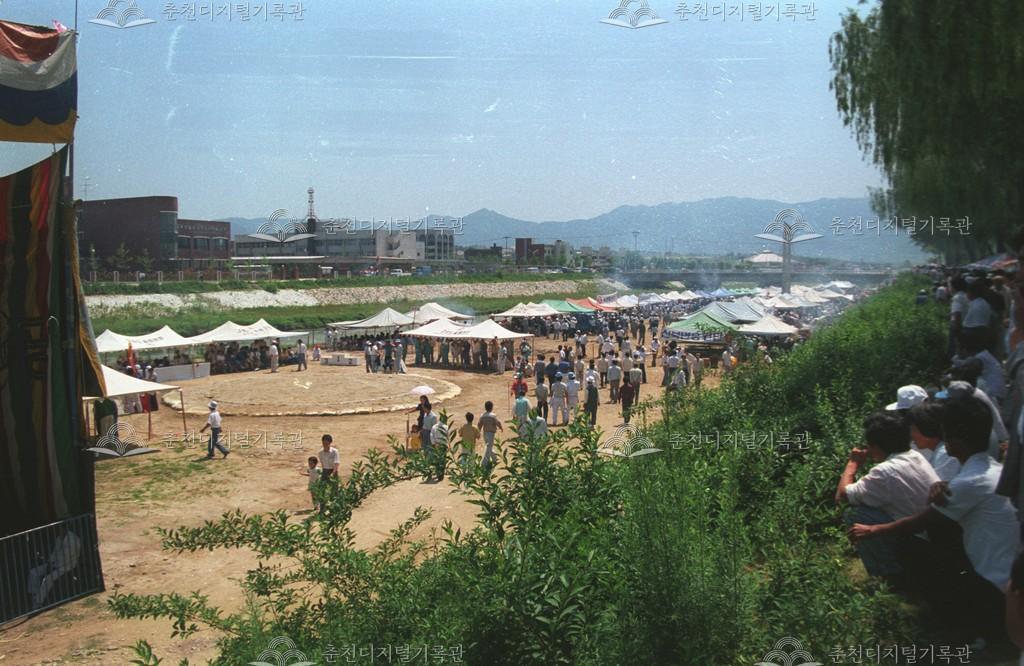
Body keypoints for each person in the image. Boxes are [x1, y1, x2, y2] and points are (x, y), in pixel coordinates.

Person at [850, 397, 1020, 646]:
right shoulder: (989, 469)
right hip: (1006, 569)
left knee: (913, 548)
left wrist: (874, 530)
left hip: (995, 582)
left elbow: (920, 523)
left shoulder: (968, 482)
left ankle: (969, 631)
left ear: (955, 441)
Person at [835, 412, 938, 582]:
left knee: (854, 514)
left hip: (920, 541)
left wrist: (852, 464)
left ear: (876, 446)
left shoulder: (885, 471)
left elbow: (842, 497)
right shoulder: (915, 455)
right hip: (932, 533)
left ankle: (888, 575)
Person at [906, 403, 961, 482]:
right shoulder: (939, 453)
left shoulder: (945, 455)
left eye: (913, 429)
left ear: (926, 429)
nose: (911, 435)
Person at [477, 402, 503, 469]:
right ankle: (484, 463)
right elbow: (497, 422)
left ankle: (494, 458)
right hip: (491, 433)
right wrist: (500, 427)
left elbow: (479, 424)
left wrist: (478, 431)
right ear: (491, 407)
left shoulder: (483, 416)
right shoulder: (493, 416)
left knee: (489, 447)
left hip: (485, 433)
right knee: (489, 447)